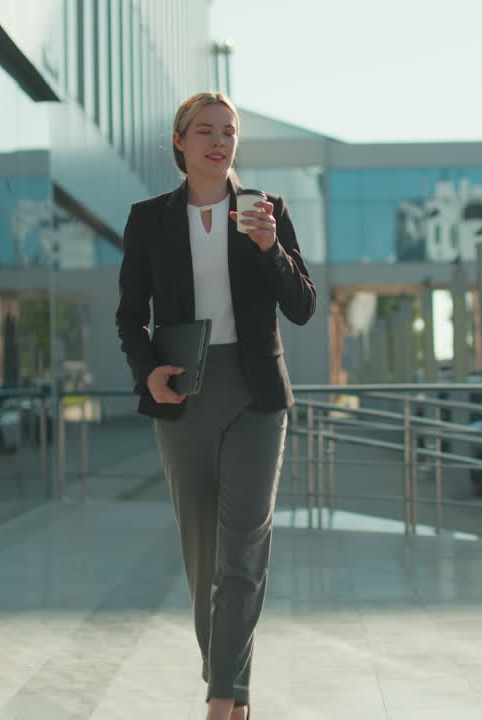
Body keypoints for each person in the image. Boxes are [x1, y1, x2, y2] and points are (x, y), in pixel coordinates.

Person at [114, 91, 316, 720]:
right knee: (204, 558)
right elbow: (129, 316)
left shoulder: (266, 211)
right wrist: (148, 375)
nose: (218, 141)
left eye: (228, 132)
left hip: (256, 392)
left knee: (244, 547)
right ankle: (239, 693)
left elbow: (304, 305)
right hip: (183, 390)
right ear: (180, 142)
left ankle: (220, 699)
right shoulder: (149, 219)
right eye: (204, 131)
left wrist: (268, 249)